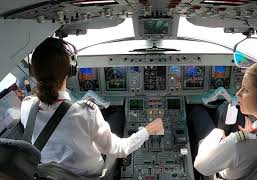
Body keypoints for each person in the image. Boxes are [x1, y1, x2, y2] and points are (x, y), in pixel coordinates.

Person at [20, 37, 164, 177]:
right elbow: (119, 148)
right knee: (117, 117)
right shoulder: (86, 112)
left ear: (33, 73)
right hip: (90, 176)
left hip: (51, 175)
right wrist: (148, 130)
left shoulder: (27, 107)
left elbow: (37, 98)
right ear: (70, 70)